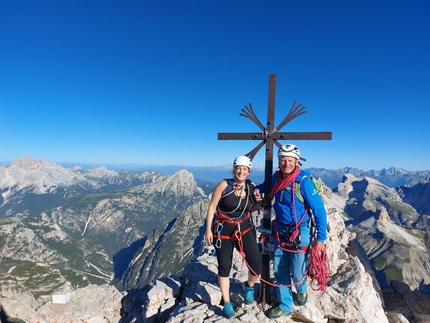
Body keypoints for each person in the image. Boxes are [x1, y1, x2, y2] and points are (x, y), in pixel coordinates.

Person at [254, 144, 327, 319]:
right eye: (283, 160)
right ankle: (285, 305)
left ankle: (301, 289)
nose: (286, 163)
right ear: (279, 161)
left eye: (289, 160)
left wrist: (321, 238)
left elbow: (319, 211)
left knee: (296, 269)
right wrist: (258, 189)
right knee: (280, 268)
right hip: (280, 230)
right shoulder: (276, 178)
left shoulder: (304, 183)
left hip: (299, 231)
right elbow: (265, 185)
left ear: (296, 162)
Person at [204, 155, 262, 319]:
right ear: (234, 169)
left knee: (256, 266)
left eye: (245, 169)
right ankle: (227, 302)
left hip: (244, 229)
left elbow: (251, 209)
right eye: (239, 168)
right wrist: (208, 230)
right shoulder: (224, 185)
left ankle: (249, 286)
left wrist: (259, 203)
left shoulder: (250, 187)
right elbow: (212, 206)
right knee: (224, 267)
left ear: (249, 171)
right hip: (222, 231)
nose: (241, 172)